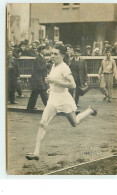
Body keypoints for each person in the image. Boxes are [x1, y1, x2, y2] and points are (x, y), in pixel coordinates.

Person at [26, 45, 97, 161]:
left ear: (62, 55)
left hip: (64, 99)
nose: (52, 56)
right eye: (52, 53)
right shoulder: (54, 65)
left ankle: (90, 110)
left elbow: (72, 85)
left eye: (55, 54)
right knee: (43, 123)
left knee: (75, 123)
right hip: (53, 99)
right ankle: (36, 152)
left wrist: (54, 81)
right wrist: (52, 87)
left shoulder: (65, 68)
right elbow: (57, 82)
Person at [27, 45, 48, 110]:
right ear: (41, 50)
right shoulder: (38, 58)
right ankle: (48, 108)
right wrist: (47, 65)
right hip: (38, 79)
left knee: (35, 93)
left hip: (39, 78)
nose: (46, 51)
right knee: (43, 93)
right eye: (44, 49)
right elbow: (39, 69)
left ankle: (30, 107)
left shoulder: (41, 58)